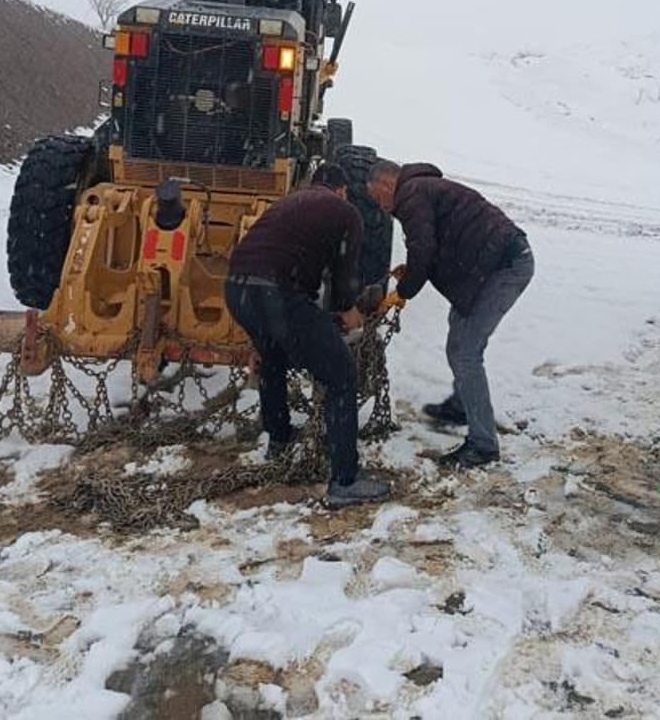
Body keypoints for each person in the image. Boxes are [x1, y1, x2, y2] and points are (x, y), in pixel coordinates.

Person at [225, 162, 390, 508]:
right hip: (278, 294)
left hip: (237, 289)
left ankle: (279, 441)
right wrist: (351, 312)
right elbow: (344, 280)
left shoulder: (287, 204)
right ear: (342, 190)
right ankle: (344, 481)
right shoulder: (346, 213)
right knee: (342, 375)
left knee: (272, 359)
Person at [368, 161, 534, 468]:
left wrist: (403, 291)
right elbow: (432, 244)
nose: (382, 208)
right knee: (459, 340)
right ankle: (462, 404)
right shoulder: (421, 189)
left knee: (466, 351)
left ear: (387, 184)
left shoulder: (410, 193)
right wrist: (413, 271)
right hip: (490, 266)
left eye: (378, 199)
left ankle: (483, 445)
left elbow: (424, 248)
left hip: (504, 267)